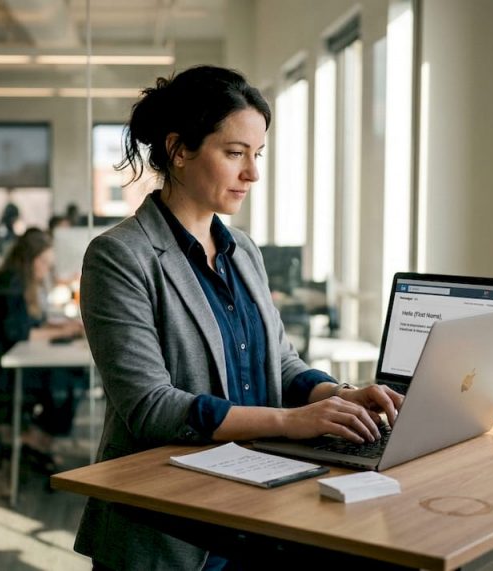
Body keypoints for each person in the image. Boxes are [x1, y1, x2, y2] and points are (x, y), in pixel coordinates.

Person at [74, 65, 404, 570]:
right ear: (179, 149)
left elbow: (283, 363)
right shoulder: (120, 256)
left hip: (258, 510)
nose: (253, 173)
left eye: (258, 154)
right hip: (170, 532)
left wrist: (336, 397)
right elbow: (151, 407)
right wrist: (292, 422)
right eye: (235, 154)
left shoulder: (241, 250)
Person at [0, 229, 84, 474]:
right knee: (66, 381)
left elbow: (32, 324)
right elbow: (20, 333)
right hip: (4, 373)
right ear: (30, 259)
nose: (45, 270)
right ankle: (37, 437)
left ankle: (39, 436)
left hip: (15, 363)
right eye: (44, 263)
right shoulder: (12, 284)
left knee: (74, 374)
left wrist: (61, 327)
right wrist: (62, 332)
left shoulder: (19, 281)